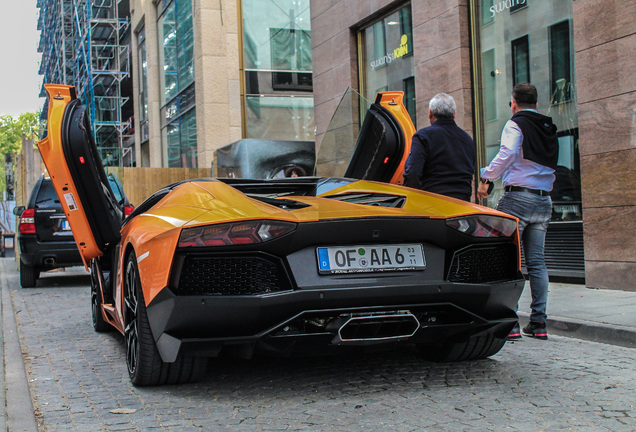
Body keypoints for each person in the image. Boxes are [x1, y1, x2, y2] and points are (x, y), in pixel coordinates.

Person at [477, 82, 559, 341]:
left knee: (508, 260)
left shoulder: (515, 123)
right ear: (536, 102)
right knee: (537, 263)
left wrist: (487, 176)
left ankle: (510, 323)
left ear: (513, 103)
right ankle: (539, 323)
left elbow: (508, 152)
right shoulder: (548, 127)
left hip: (518, 200)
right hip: (543, 201)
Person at [403, 93, 475, 201]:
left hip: (432, 205)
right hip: (462, 206)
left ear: (430, 113)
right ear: (454, 114)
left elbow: (412, 173)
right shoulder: (467, 139)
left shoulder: (423, 136)